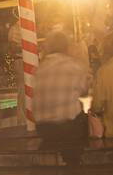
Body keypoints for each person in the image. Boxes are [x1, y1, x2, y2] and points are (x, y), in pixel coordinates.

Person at [32, 31, 89, 162]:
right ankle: (73, 170)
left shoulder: (40, 68)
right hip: (68, 127)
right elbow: (84, 92)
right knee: (82, 117)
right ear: (66, 47)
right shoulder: (74, 65)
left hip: (43, 126)